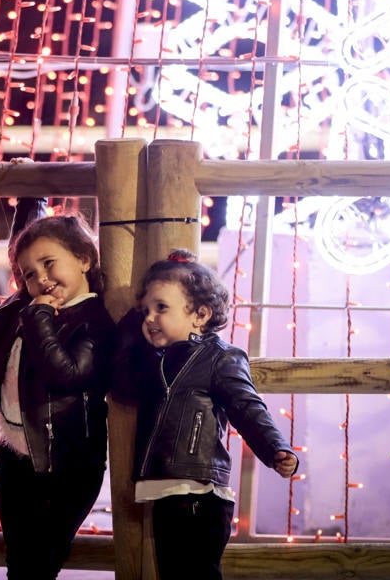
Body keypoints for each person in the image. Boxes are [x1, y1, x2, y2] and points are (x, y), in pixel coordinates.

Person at [113, 249, 299, 580]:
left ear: (200, 315)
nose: (150, 318)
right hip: (168, 492)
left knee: (198, 575)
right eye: (146, 310)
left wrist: (275, 447)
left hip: (200, 494)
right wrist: (131, 319)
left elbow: (247, 405)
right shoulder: (156, 360)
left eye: (162, 308)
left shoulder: (220, 358)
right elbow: (123, 386)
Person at [0, 195, 116, 580]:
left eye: (50, 264)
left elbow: (65, 374)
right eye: (30, 274)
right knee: (19, 561)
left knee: (41, 563)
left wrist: (39, 318)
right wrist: (32, 193)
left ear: (84, 259)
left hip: (67, 464)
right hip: (13, 457)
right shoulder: (31, 304)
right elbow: (24, 244)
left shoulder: (93, 319)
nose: (40, 279)